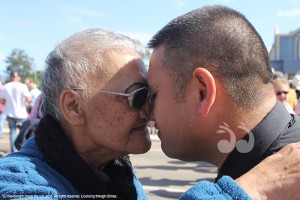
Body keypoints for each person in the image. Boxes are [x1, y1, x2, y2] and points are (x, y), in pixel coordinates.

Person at [147, 5, 300, 199]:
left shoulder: (287, 184)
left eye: (154, 94)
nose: (147, 113)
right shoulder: (267, 170)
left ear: (203, 93)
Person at [0, 29, 151, 199]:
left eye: (151, 95)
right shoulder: (18, 183)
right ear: (74, 107)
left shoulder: (120, 175)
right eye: (137, 96)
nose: (150, 111)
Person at [0, 71, 31, 152]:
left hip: (10, 113)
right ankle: (23, 149)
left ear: (11, 77)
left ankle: (14, 150)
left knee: (12, 132)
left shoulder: (5, 87)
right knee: (23, 132)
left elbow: (2, 100)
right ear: (18, 77)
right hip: (21, 113)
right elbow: (28, 99)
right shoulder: (22, 86)